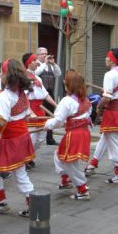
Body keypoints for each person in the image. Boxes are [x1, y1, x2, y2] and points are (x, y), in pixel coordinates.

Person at [0, 58, 35, 218]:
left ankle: (2, 203)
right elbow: (26, 118)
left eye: (1, 72)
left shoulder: (5, 96)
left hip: (11, 139)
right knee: (19, 172)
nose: (0, 75)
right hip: (20, 137)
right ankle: (29, 204)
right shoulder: (21, 93)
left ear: (6, 75)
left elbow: (1, 120)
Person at [85, 48, 118, 184]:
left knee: (114, 142)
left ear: (112, 60)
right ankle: (92, 164)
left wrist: (99, 106)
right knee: (106, 137)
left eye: (107, 57)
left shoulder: (109, 75)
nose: (105, 59)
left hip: (112, 112)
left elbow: (106, 97)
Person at [44, 70, 92, 200]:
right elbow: (80, 116)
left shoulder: (67, 101)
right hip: (83, 132)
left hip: (74, 135)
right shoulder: (85, 100)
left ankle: (82, 189)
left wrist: (47, 125)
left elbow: (58, 121)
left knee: (69, 162)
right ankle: (65, 180)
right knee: (59, 155)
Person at [22, 53, 57, 169]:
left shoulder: (38, 78)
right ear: (28, 63)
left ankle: (29, 156)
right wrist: (29, 111)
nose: (37, 62)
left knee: (41, 136)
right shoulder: (24, 78)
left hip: (40, 109)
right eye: (34, 60)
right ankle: (25, 159)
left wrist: (56, 105)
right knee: (31, 137)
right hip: (30, 109)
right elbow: (24, 98)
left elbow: (45, 94)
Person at [35, 47, 61, 145]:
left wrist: (53, 64)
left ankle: (50, 138)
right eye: (43, 54)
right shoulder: (36, 64)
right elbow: (36, 73)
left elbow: (58, 73)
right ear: (38, 55)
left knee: (51, 114)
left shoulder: (50, 65)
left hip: (50, 93)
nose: (45, 55)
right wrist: (45, 63)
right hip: (40, 95)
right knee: (42, 115)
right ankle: (40, 135)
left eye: (46, 53)